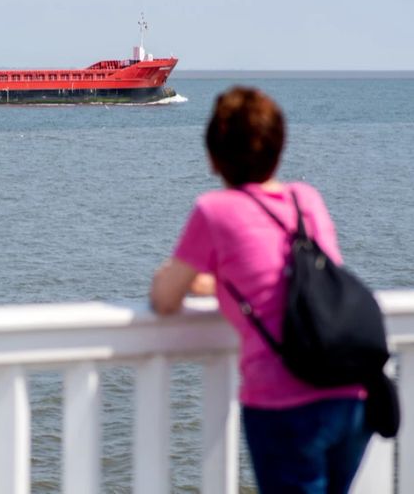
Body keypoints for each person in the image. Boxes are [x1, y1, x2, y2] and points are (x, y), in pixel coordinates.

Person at [149, 87, 371, 493]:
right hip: (352, 395)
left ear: (213, 158)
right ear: (279, 147)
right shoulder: (307, 200)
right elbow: (298, 279)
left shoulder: (214, 210)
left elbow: (165, 300)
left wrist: (171, 274)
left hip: (285, 406)